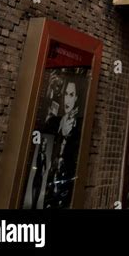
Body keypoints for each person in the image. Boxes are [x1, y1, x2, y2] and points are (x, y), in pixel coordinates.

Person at [44, 79, 82, 209]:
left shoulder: (77, 125)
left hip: (65, 176)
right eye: (66, 94)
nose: (67, 99)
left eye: (71, 95)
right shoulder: (57, 121)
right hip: (51, 174)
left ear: (76, 98)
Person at [31, 137, 47, 209]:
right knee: (34, 196)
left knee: (37, 196)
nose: (43, 147)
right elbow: (36, 166)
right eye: (42, 145)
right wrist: (36, 169)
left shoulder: (45, 156)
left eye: (44, 145)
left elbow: (45, 167)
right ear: (41, 146)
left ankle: (34, 207)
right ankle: (33, 207)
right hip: (36, 176)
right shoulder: (39, 155)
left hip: (40, 177)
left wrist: (44, 171)